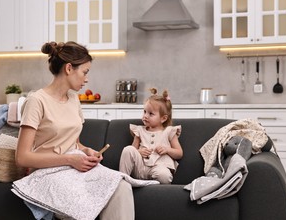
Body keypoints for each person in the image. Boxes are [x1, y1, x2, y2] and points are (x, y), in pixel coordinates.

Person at [15, 41, 134, 220]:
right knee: (81, 202)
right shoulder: (36, 101)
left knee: (121, 186)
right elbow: (22, 158)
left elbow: (75, 143)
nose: (86, 79)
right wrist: (70, 159)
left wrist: (86, 151)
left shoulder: (73, 99)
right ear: (69, 68)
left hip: (72, 168)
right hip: (48, 172)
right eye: (85, 72)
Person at [119, 88, 183, 184]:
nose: (145, 116)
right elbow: (133, 150)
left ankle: (151, 183)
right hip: (140, 168)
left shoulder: (169, 131)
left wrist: (167, 150)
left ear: (163, 118)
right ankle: (122, 181)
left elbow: (179, 153)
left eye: (151, 114)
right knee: (128, 149)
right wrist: (139, 151)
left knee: (164, 175)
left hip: (158, 167)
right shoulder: (139, 130)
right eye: (144, 112)